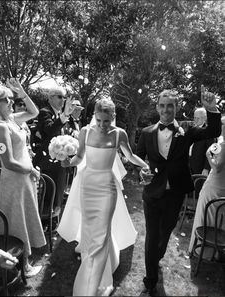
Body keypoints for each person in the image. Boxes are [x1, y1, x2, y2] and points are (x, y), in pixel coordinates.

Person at [57, 97, 149, 296]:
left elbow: (130, 156)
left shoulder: (119, 134)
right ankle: (99, 271)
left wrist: (145, 165)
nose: (101, 125)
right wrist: (68, 162)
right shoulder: (85, 132)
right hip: (88, 186)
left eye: (106, 121)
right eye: (98, 120)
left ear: (113, 117)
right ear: (94, 117)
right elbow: (80, 156)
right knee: (91, 234)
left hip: (107, 189)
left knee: (101, 235)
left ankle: (91, 286)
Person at [136, 86, 221, 296]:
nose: (165, 110)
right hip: (152, 193)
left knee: (166, 232)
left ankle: (156, 258)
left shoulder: (187, 130)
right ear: (157, 107)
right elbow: (137, 160)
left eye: (170, 106)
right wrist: (141, 172)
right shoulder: (146, 133)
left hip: (175, 194)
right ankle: (150, 280)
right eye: (162, 106)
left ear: (176, 107)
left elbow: (213, 132)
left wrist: (212, 109)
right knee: (152, 234)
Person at [0, 78, 46, 277]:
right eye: (7, 99)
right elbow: (9, 162)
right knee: (16, 221)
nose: (12, 102)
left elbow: (34, 112)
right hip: (14, 181)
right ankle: (23, 265)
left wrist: (22, 91)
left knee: (23, 218)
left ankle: (23, 261)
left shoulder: (11, 120)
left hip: (22, 180)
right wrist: (31, 170)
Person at [33, 86, 75, 216]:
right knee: (48, 194)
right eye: (60, 96)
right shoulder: (45, 112)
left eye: (64, 97)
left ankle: (54, 220)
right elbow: (50, 130)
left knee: (59, 193)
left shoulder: (63, 116)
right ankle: (45, 222)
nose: (63, 100)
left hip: (61, 161)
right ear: (50, 98)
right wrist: (64, 115)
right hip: (48, 163)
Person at [188, 115, 225, 257]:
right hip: (221, 184)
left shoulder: (221, 143)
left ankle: (201, 251)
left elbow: (217, 168)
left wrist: (208, 155)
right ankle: (215, 252)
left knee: (205, 213)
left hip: (214, 184)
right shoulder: (220, 141)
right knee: (218, 215)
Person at [189, 107, 215, 176]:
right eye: (194, 118)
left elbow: (211, 151)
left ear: (204, 118)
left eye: (198, 118)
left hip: (200, 169)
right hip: (188, 166)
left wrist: (206, 168)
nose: (195, 120)